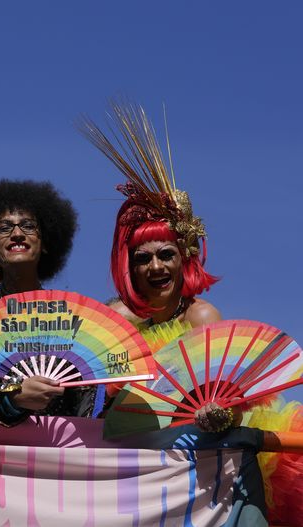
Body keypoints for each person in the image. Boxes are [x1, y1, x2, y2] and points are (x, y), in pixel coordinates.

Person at [79, 103, 229, 432]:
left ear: (184, 257)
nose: (156, 266)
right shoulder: (121, 321)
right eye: (143, 259)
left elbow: (222, 398)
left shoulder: (200, 317)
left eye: (166, 254)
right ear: (129, 268)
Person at [0, 179, 102, 426]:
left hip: (58, 454)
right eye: (4, 227)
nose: (17, 234)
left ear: (46, 241)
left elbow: (88, 398)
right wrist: (11, 398)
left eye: (28, 226)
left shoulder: (70, 316)